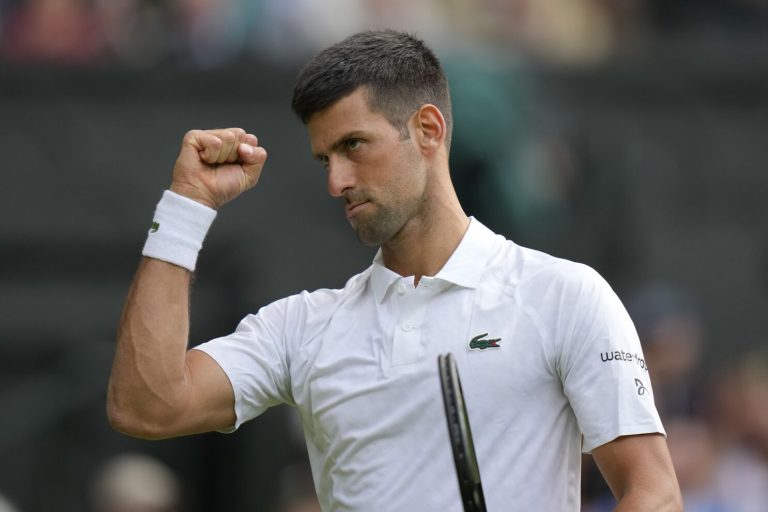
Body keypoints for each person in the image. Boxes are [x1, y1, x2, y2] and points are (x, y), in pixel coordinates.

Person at [107, 30, 682, 511]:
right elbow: (146, 406)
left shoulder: (564, 295)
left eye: (355, 146)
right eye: (326, 159)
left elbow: (653, 493)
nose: (337, 181)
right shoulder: (301, 328)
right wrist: (186, 207)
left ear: (428, 130)